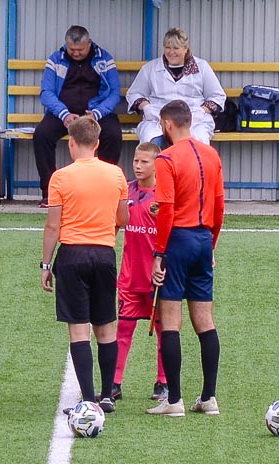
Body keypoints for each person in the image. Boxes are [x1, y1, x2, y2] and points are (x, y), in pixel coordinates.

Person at [41, 116, 129, 414]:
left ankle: (88, 399)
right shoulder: (116, 174)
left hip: (72, 255)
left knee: (79, 331)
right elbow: (123, 219)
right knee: (106, 328)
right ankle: (107, 395)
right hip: (104, 254)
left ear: (71, 143)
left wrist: (45, 264)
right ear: (98, 143)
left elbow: (53, 226)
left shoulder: (60, 177)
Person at [146, 100, 225, 417]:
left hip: (177, 240)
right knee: (205, 320)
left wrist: (159, 253)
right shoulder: (211, 154)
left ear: (166, 124)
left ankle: (175, 400)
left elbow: (165, 207)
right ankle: (209, 398)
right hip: (204, 239)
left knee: (171, 320)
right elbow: (219, 208)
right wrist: (212, 246)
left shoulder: (166, 159)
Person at [33, 25, 123, 208]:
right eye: (71, 49)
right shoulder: (56, 59)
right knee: (41, 135)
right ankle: (49, 193)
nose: (75, 53)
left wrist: (98, 113)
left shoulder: (104, 59)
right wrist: (63, 114)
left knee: (113, 134)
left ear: (89, 44)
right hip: (63, 113)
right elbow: (46, 93)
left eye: (79, 50)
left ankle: (102, 189)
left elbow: (115, 92)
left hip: (97, 112)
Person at [113, 142, 169, 402]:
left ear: (156, 165)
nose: (137, 165)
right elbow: (115, 223)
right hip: (129, 276)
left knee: (162, 329)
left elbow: (171, 235)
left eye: (144, 162)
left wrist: (165, 265)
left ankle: (163, 382)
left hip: (156, 277)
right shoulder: (126, 190)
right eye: (136, 160)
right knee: (123, 329)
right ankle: (114, 382)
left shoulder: (164, 195)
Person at [125, 27, 226, 147]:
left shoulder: (202, 67)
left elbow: (217, 96)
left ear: (185, 49)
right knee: (151, 144)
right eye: (168, 48)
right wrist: (146, 107)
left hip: (194, 121)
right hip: (158, 120)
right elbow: (134, 93)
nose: (171, 52)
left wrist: (201, 111)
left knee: (196, 146)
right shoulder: (150, 68)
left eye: (176, 48)